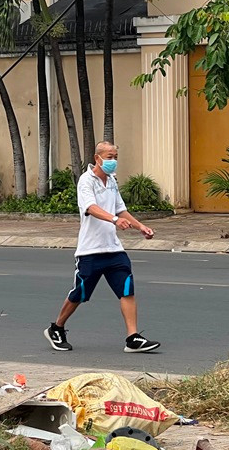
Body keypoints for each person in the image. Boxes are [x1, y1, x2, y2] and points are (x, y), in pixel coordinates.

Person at [44, 141, 160, 353]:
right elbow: (90, 208)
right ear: (97, 158)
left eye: (115, 157)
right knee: (80, 293)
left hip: (113, 249)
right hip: (90, 250)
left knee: (127, 290)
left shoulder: (112, 181)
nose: (113, 161)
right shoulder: (86, 180)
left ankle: (132, 338)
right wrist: (114, 220)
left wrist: (140, 227)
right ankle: (57, 328)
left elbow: (120, 210)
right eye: (109, 157)